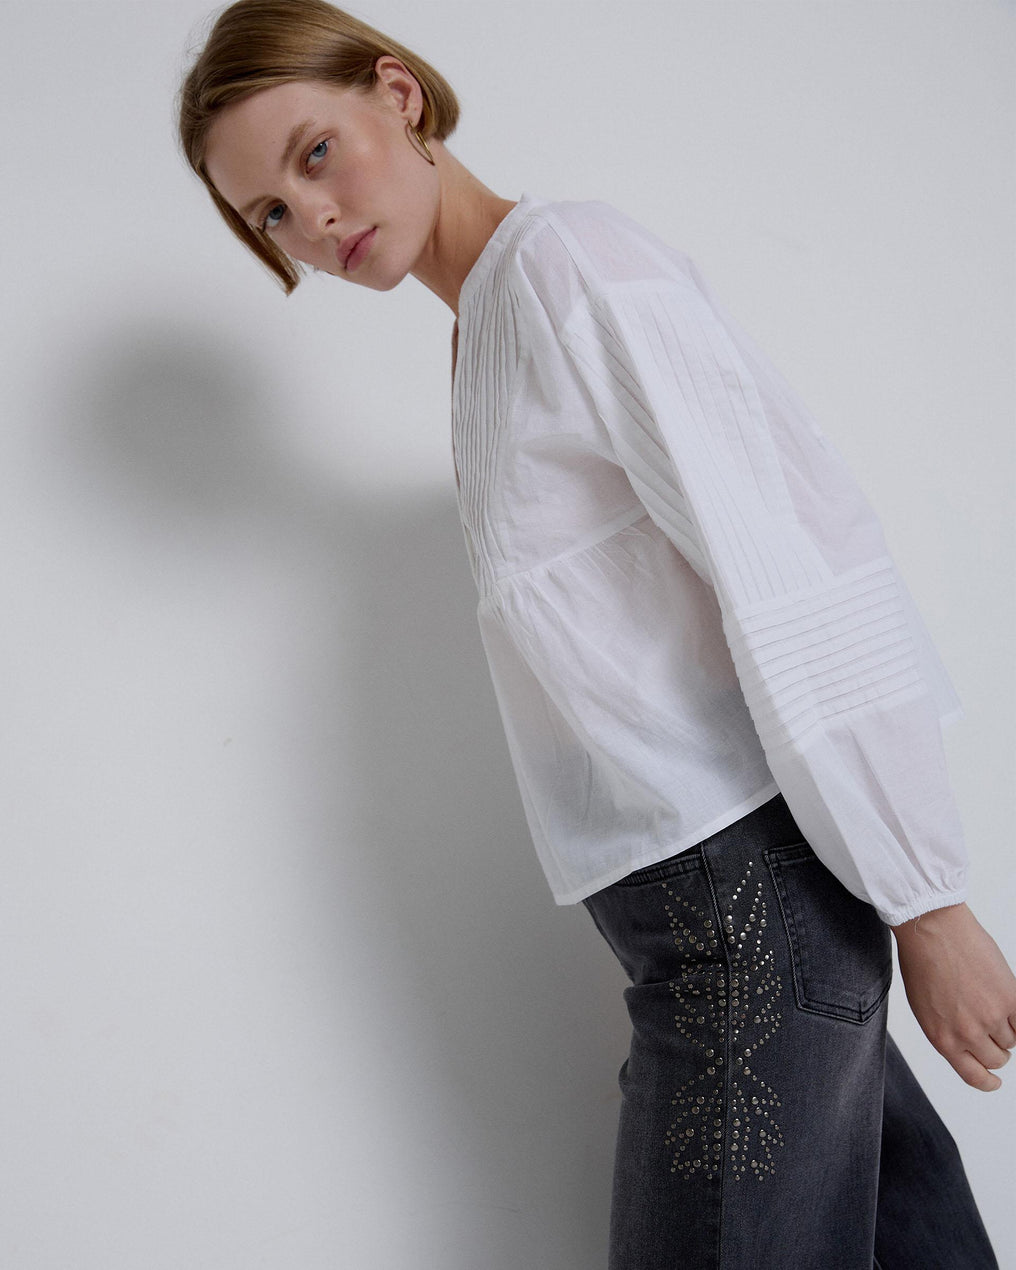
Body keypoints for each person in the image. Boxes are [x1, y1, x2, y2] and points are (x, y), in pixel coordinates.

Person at [177, 2, 1015, 1264]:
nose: (314, 218)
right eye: (272, 217)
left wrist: (926, 898)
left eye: (315, 155)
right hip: (706, 923)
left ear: (396, 94)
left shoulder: (567, 268)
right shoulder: (485, 330)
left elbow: (787, 561)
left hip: (744, 921)